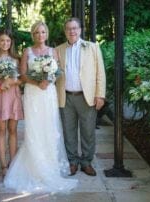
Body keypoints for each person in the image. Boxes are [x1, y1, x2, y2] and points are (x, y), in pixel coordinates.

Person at [4, 21, 77, 193]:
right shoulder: (27, 52)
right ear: (33, 35)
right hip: (32, 94)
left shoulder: (53, 51)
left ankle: (50, 166)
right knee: (34, 129)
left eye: (43, 32)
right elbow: (22, 75)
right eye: (36, 32)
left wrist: (48, 80)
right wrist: (37, 81)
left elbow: (58, 71)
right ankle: (34, 167)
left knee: (49, 128)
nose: (40, 35)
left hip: (48, 93)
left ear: (47, 34)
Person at [55, 18, 106, 176]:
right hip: (66, 97)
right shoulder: (58, 50)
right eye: (69, 29)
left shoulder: (92, 47)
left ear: (80, 30)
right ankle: (72, 161)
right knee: (68, 131)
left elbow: (100, 73)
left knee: (88, 131)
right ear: (65, 31)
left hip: (87, 97)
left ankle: (86, 162)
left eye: (75, 28)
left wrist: (100, 95)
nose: (72, 31)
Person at [0, 30, 24, 177]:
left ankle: (13, 162)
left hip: (13, 96)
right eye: (2, 40)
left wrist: (12, 80)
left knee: (13, 130)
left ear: (11, 42)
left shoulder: (16, 59)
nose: (5, 43)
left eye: (8, 41)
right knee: (1, 131)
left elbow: (22, 80)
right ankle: (3, 164)